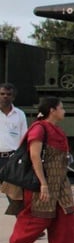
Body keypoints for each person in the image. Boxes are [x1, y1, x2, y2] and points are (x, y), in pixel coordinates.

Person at [3, 97, 74, 243]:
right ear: (52, 110)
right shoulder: (39, 129)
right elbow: (35, 156)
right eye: (61, 107)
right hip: (41, 183)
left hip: (60, 183)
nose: (63, 111)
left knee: (64, 220)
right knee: (36, 220)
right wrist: (43, 184)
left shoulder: (56, 129)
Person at [1, 83, 28, 214]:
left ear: (13, 97)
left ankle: (25, 226)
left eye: (8, 94)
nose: (5, 97)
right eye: (2, 94)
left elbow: (24, 136)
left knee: (15, 195)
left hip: (11, 159)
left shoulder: (19, 114)